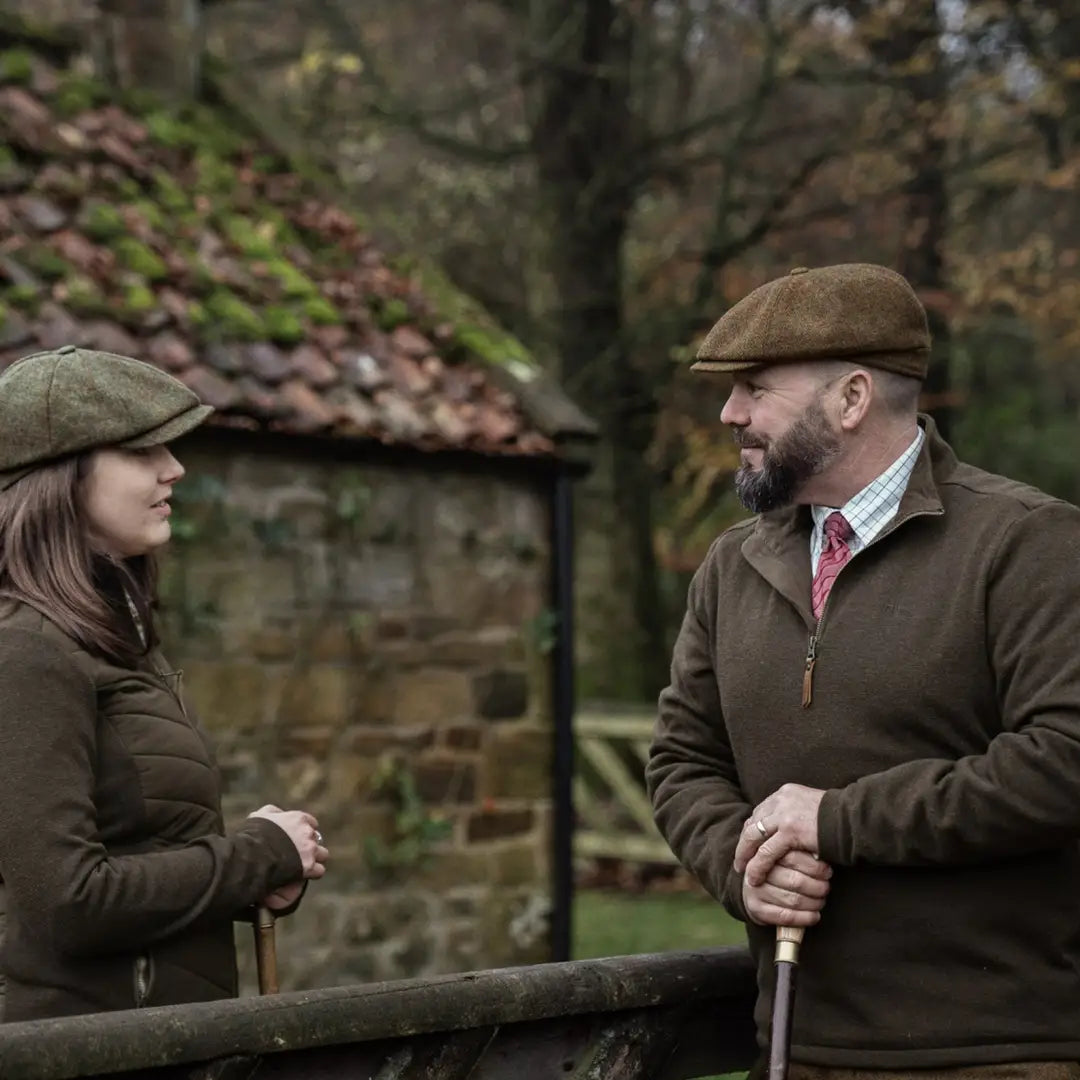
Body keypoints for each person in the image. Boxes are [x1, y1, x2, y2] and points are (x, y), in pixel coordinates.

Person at [646, 264, 1080, 1078]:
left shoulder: (1030, 545)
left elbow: (1064, 761)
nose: (728, 413)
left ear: (850, 399)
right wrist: (742, 867)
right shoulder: (731, 565)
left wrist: (840, 821)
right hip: (793, 1049)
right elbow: (681, 761)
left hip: (999, 1054)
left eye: (754, 387)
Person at [0, 345, 329, 1022]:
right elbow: (67, 904)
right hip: (84, 1055)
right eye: (141, 451)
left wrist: (258, 876)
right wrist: (252, 856)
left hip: (161, 1041)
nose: (173, 469)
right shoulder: (26, 652)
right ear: (61, 477)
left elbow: (139, 860)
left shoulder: (108, 641)